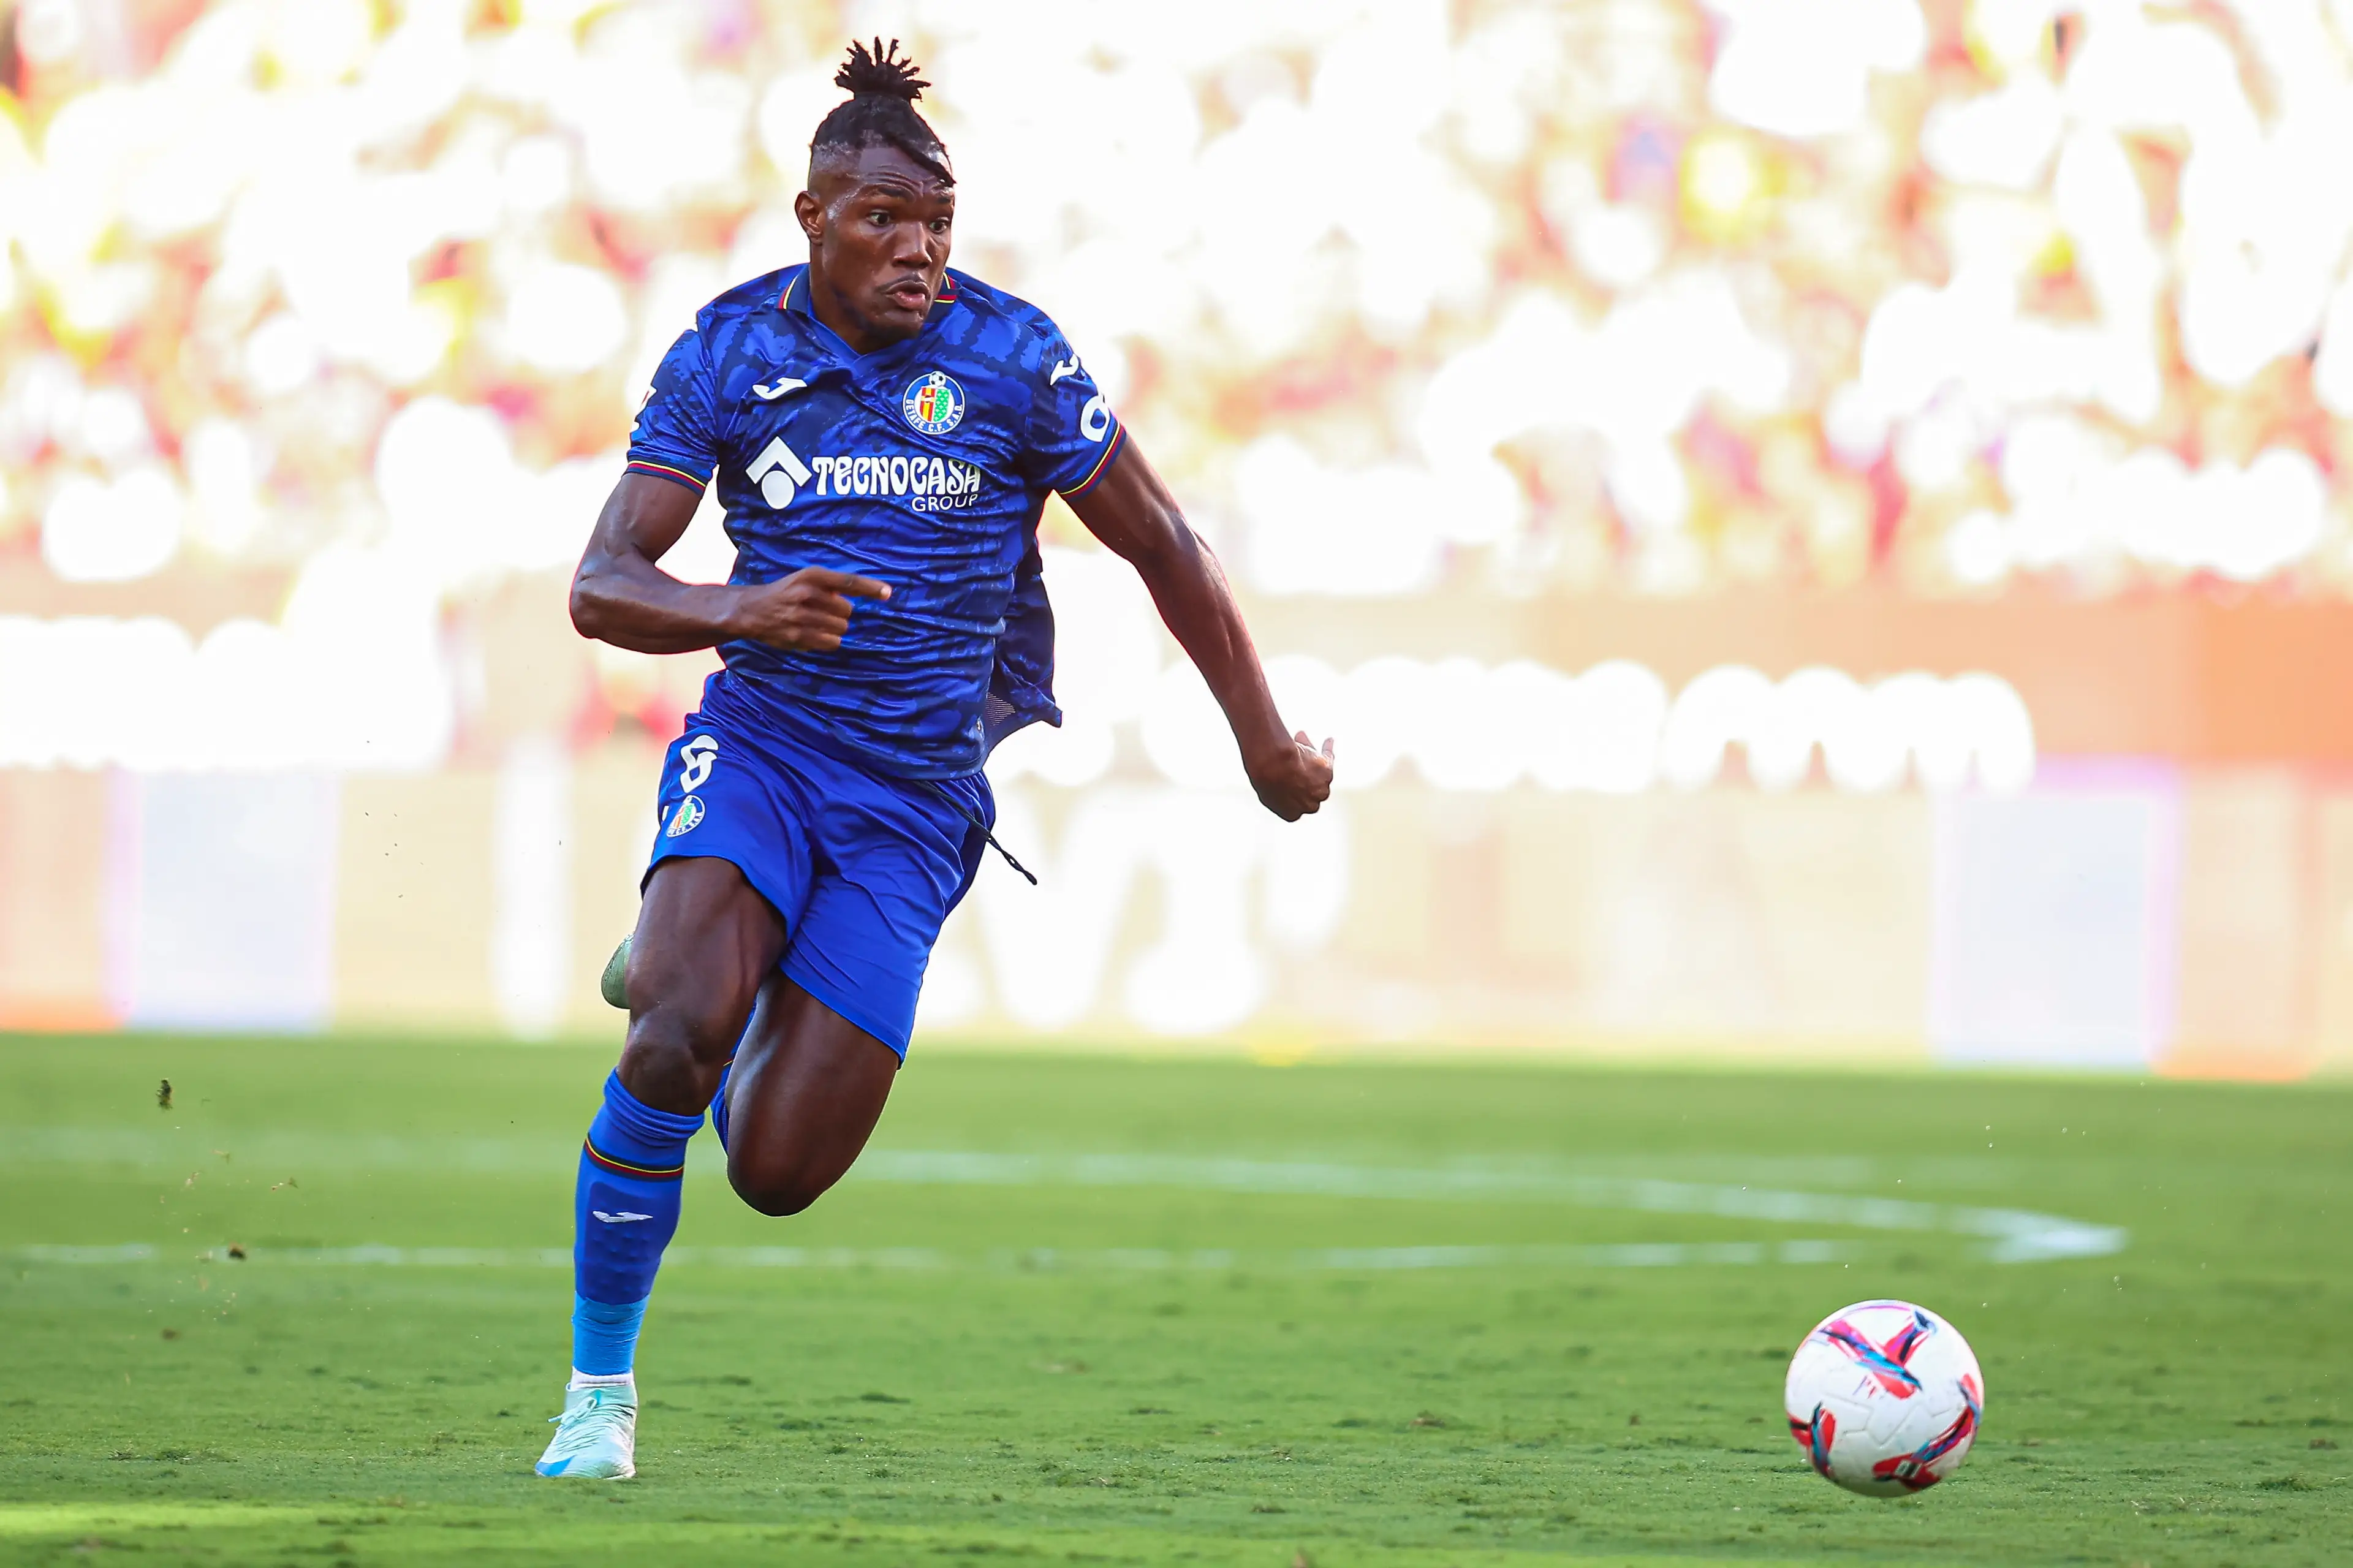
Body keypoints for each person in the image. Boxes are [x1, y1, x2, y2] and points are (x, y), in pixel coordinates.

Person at [536, 40, 1334, 1480]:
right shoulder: (728, 350)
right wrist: (739, 608)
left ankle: (707, 954)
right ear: (812, 220)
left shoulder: (1016, 358)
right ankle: (599, 1397)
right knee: (670, 1038)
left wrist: (1265, 743)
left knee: (775, 1174)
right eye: (884, 224)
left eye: (937, 229)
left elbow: (1163, 545)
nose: (917, 254)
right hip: (765, 750)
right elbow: (602, 583)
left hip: (913, 807)